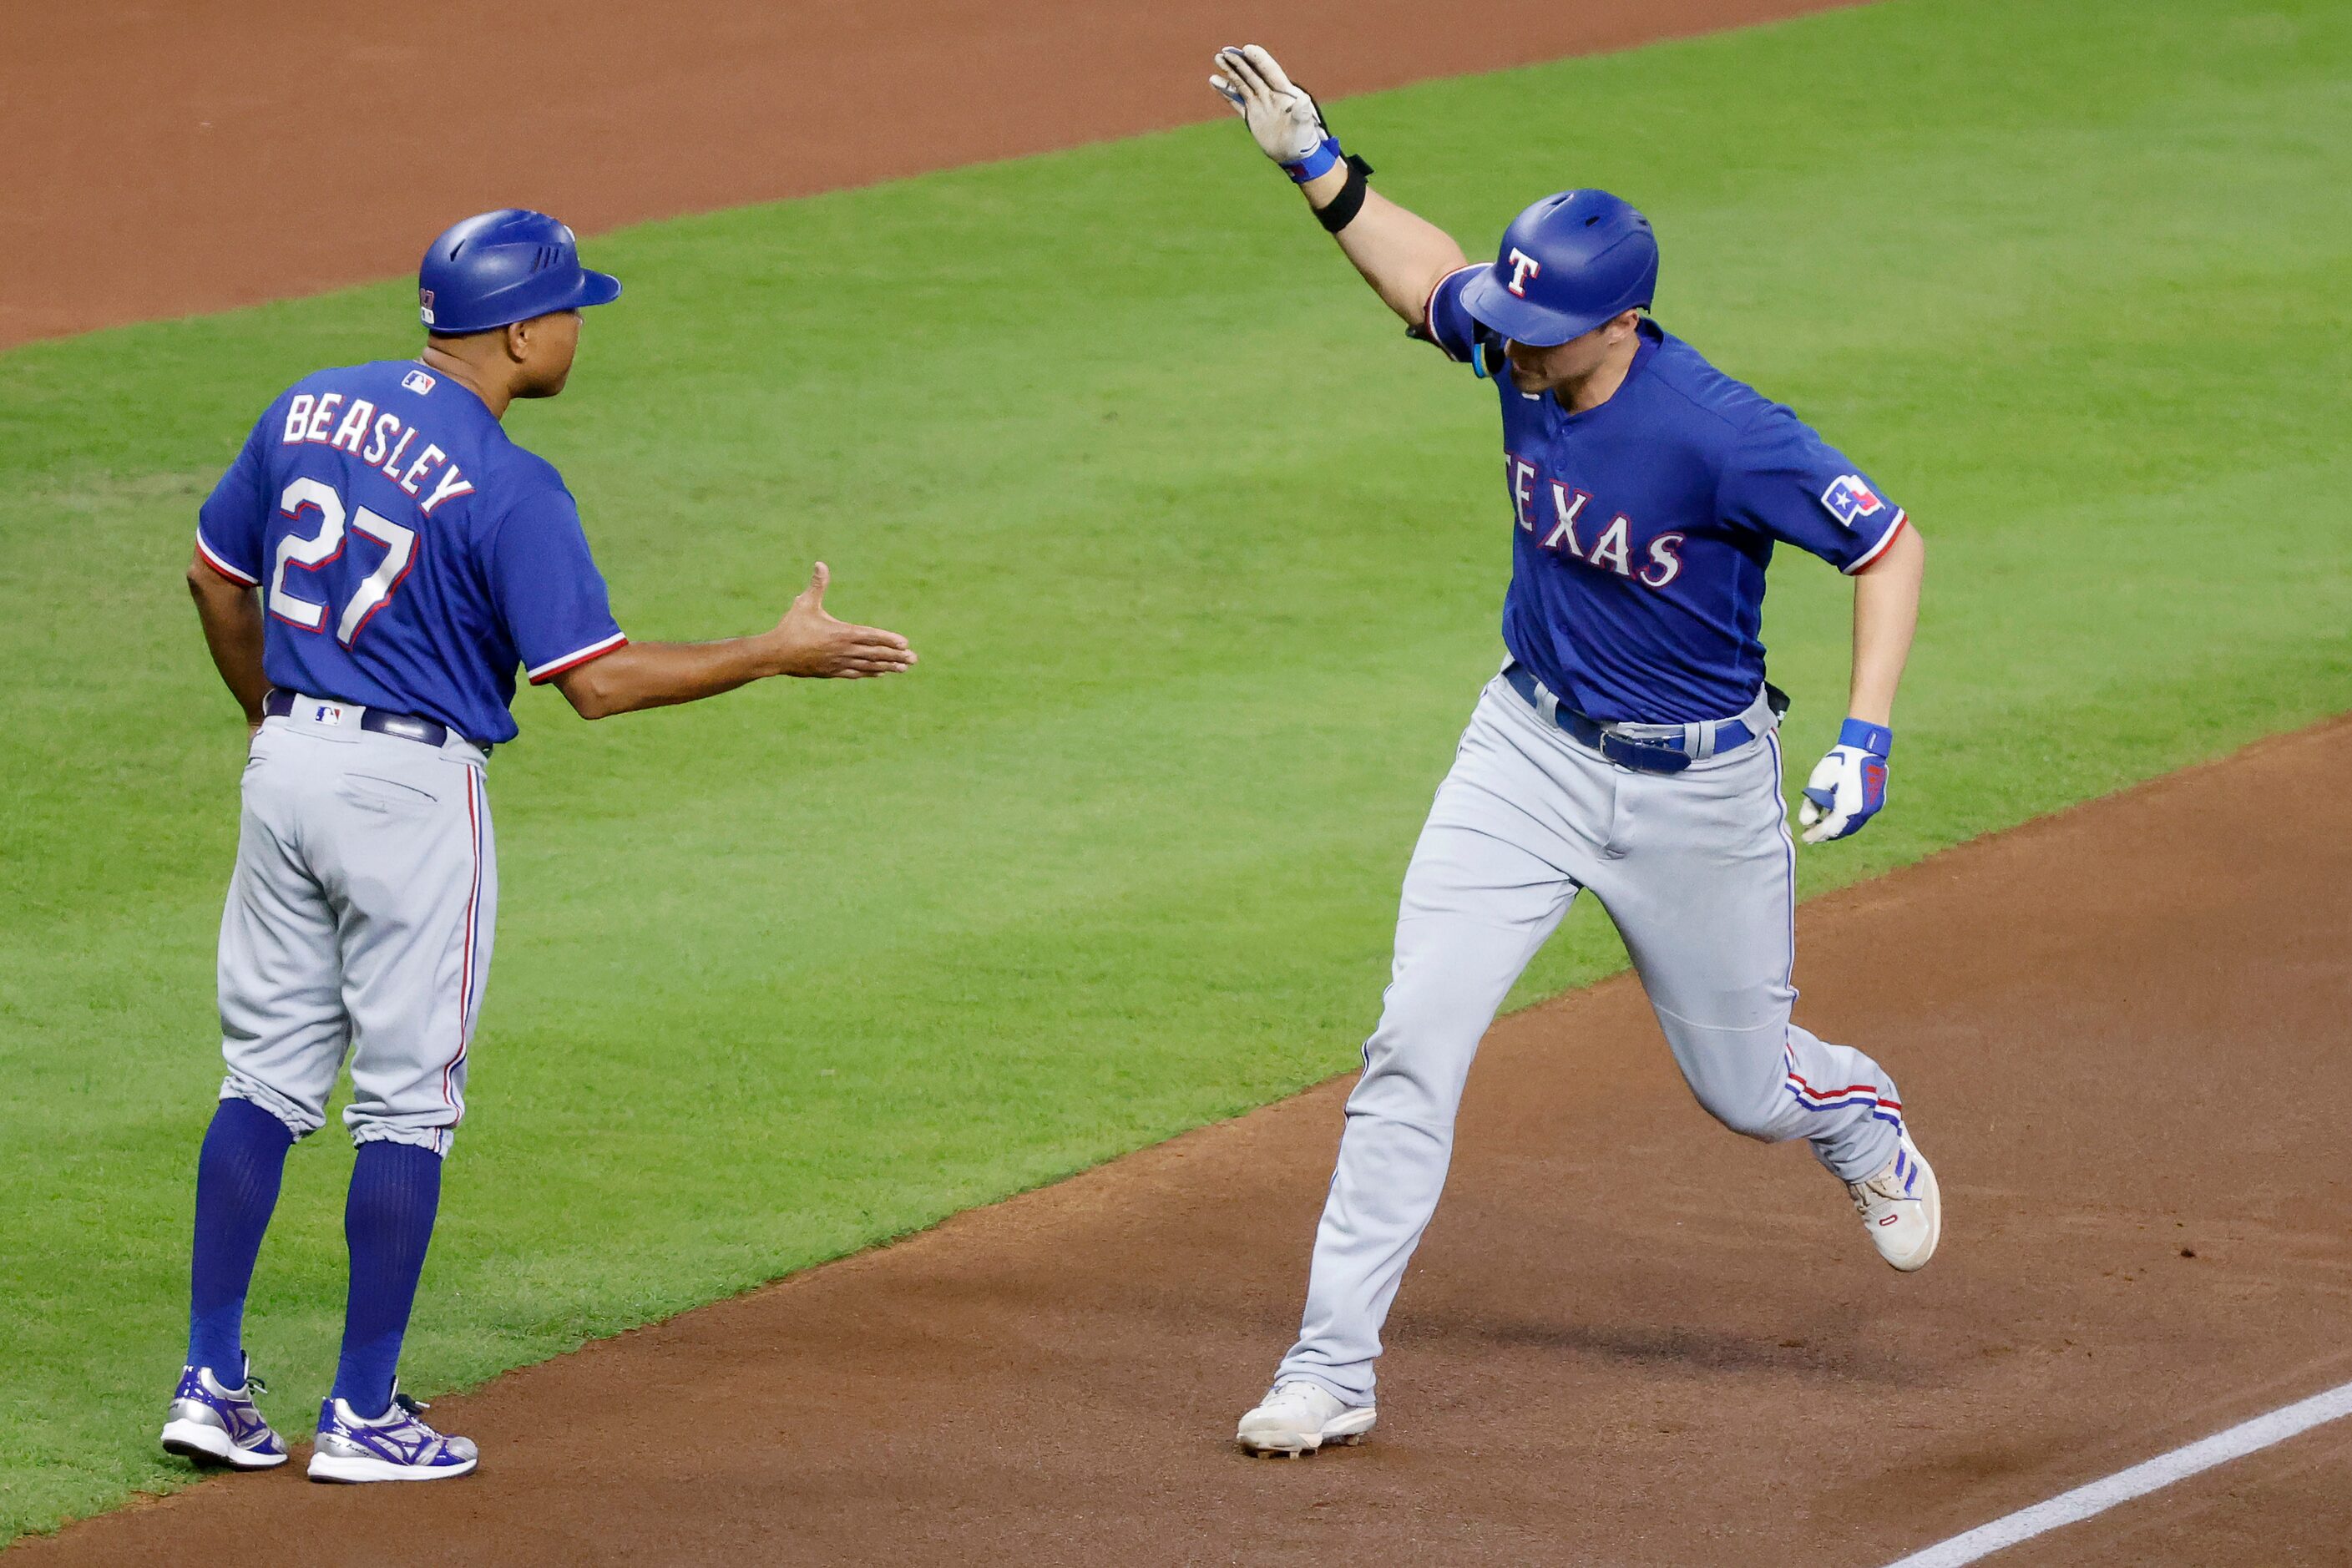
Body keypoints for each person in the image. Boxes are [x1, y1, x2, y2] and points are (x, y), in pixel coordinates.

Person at [1208, 47, 1938, 1458]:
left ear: (1622, 322)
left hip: (1700, 791)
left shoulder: (1724, 437)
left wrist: (1866, 730)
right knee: (1410, 1044)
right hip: (1523, 754)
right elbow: (1423, 279)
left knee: (1745, 1093)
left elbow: (1885, 541)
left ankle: (1854, 1112)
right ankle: (1330, 1365)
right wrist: (1316, 163)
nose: (1509, 347)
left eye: (1539, 330)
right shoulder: (1524, 349)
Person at [165, 209, 915, 1482]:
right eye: (572, 308)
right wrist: (774, 651)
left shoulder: (307, 405)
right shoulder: (510, 483)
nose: (581, 326)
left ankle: (211, 1381)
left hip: (284, 763)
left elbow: (212, 580)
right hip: (408, 793)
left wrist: (270, 721)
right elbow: (601, 683)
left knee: (267, 1080)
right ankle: (362, 1414)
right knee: (406, 1100)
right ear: (520, 331)